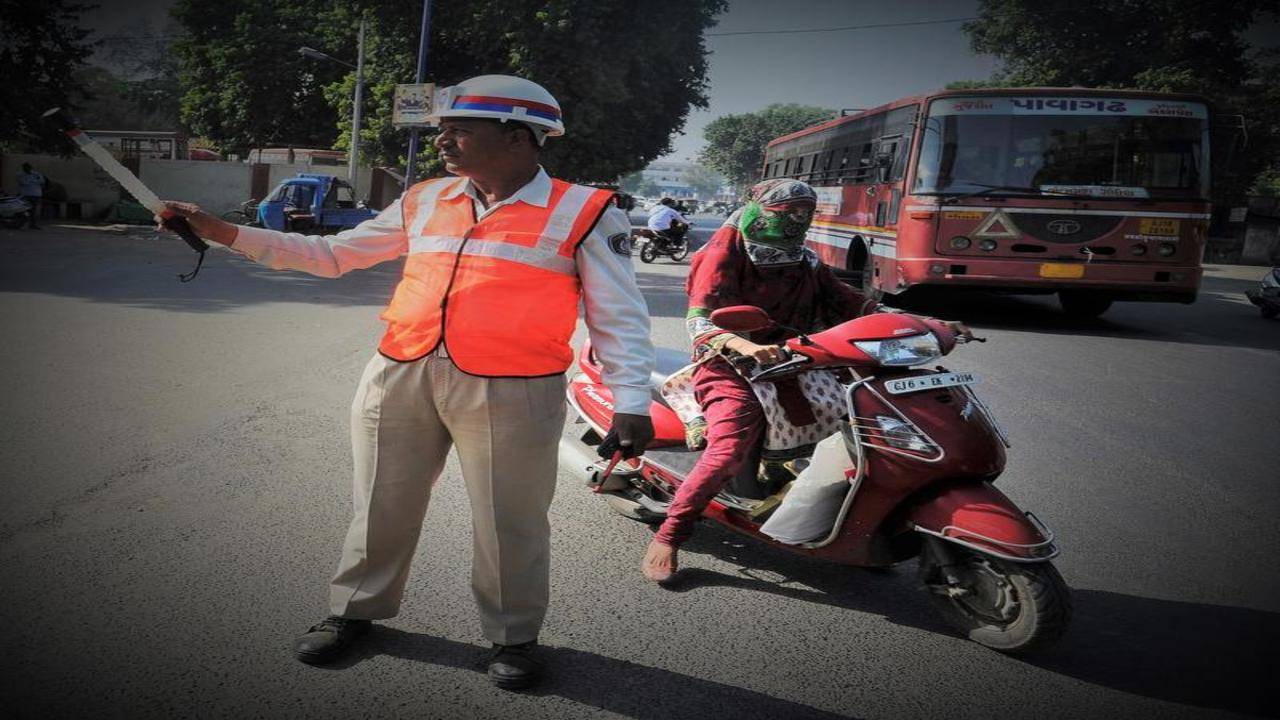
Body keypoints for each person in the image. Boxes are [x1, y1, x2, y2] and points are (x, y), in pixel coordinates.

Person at [161, 75, 656, 689]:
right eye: (443, 130)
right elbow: (335, 254)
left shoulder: (584, 209)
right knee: (379, 505)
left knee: (511, 518)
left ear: (519, 136)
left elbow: (619, 315)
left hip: (513, 386)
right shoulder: (425, 198)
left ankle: (513, 635)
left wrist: (633, 400)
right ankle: (353, 612)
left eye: (459, 130)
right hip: (401, 370)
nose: (444, 142)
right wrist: (225, 232)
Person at [640, 179, 952, 584]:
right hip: (731, 363)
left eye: (804, 215)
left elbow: (851, 302)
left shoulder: (803, 258)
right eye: (785, 215)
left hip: (802, 357)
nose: (795, 223)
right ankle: (670, 534)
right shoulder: (720, 255)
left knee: (869, 423)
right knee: (728, 449)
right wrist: (745, 346)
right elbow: (700, 320)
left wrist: (921, 322)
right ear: (756, 211)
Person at [16, 163, 44, 229]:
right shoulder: (20, 174)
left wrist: (31, 181)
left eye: (29, 167)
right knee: (23, 210)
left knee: (33, 210)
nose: (27, 169)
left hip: (36, 194)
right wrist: (34, 181)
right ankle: (20, 223)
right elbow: (24, 182)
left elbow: (42, 181)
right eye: (26, 167)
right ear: (23, 168)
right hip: (26, 194)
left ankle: (32, 224)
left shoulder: (36, 174)